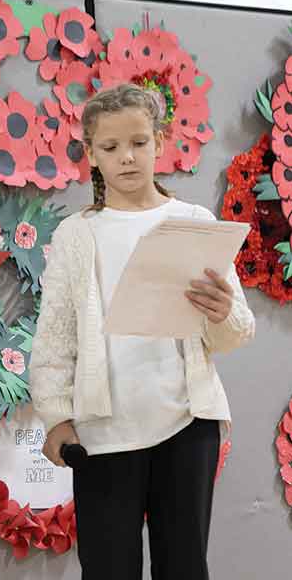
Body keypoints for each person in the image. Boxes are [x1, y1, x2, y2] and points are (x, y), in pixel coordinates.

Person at [30, 84, 255, 580]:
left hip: (186, 425)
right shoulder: (76, 234)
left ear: (159, 141)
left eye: (138, 143)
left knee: (185, 566)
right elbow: (54, 339)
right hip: (103, 435)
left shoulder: (193, 221)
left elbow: (237, 330)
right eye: (110, 148)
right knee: (109, 568)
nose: (126, 158)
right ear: (90, 154)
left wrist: (221, 314)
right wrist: (55, 418)